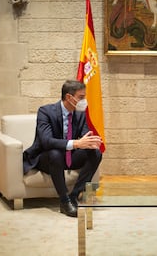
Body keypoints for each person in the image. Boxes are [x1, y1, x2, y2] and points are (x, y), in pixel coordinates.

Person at [23, 80, 103, 217]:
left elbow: (84, 137)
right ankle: (64, 201)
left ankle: (74, 195)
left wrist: (91, 142)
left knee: (95, 153)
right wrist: (76, 144)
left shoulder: (80, 114)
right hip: (46, 158)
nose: (84, 101)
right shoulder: (45, 111)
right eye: (81, 97)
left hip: (69, 157)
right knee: (55, 154)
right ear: (68, 97)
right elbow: (46, 141)